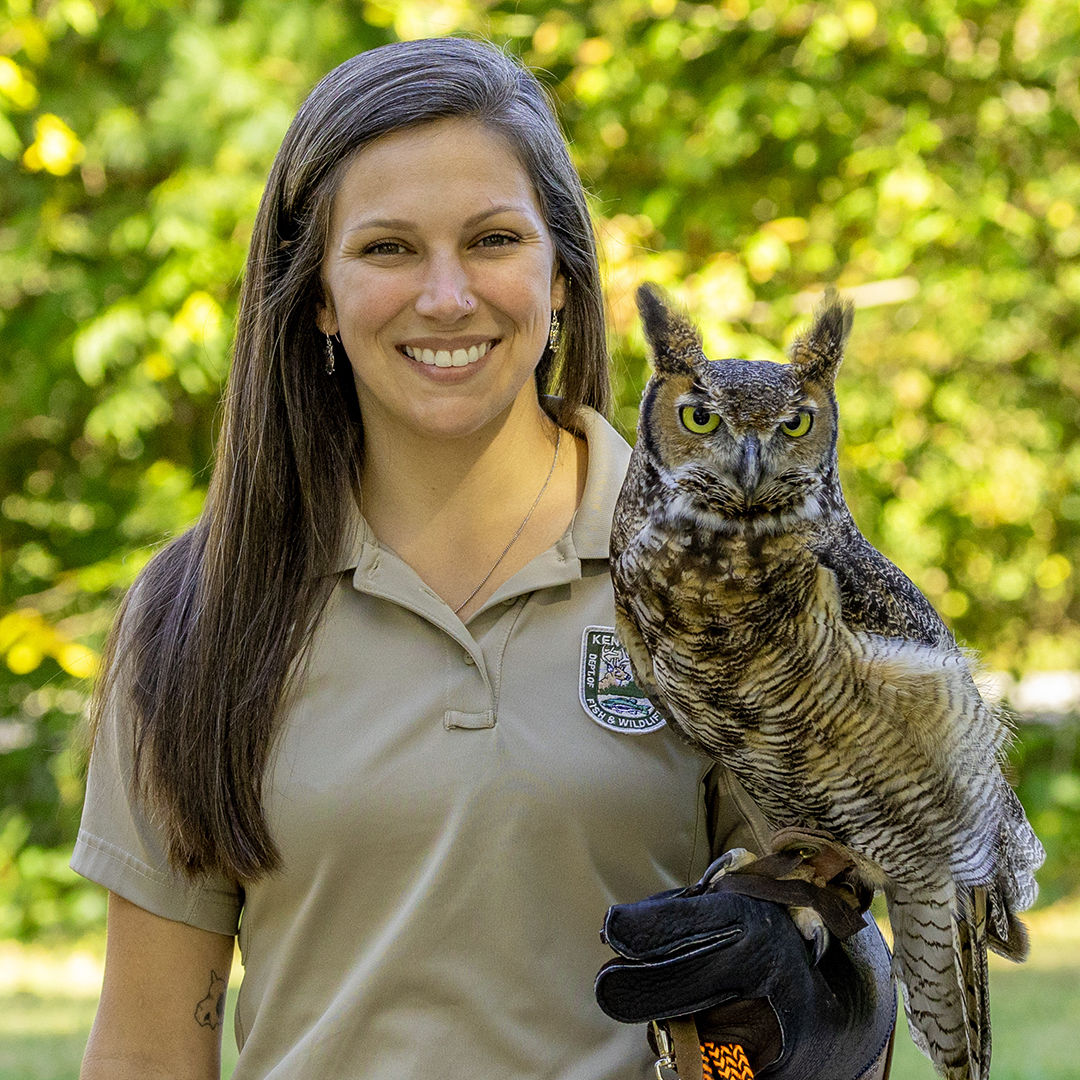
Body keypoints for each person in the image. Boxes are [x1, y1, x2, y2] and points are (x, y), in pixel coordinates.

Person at [73, 37, 894, 1080]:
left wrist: (798, 1013)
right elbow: (146, 1049)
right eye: (388, 250)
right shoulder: (199, 610)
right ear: (317, 297)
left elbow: (840, 981)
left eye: (493, 239)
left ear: (560, 278)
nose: (449, 297)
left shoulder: (739, 581)